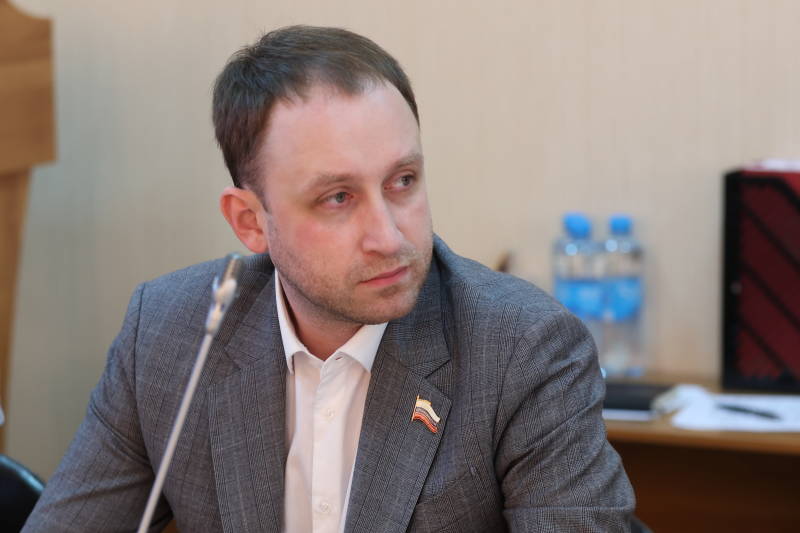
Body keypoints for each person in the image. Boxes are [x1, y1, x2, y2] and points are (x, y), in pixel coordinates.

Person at [24, 25, 634, 532]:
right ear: (250, 222)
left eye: (402, 181)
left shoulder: (524, 350)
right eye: (337, 198)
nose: (389, 237)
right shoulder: (170, 336)